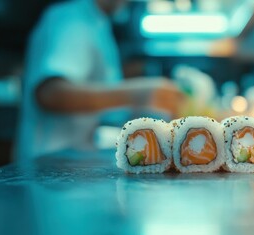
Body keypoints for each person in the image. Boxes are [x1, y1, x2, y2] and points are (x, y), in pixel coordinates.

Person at [15, 0, 184, 163]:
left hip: (73, 163)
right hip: (48, 165)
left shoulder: (99, 23)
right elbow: (50, 93)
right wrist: (135, 94)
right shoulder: (70, 20)